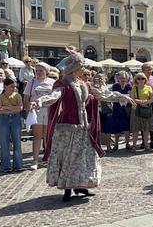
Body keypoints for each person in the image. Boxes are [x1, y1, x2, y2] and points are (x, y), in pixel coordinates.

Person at [31, 46, 135, 202]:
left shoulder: (84, 84)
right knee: (68, 157)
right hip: (68, 126)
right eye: (81, 67)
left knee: (84, 156)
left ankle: (81, 185)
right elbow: (53, 96)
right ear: (76, 68)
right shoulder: (63, 83)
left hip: (84, 126)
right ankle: (67, 188)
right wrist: (39, 101)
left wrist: (122, 97)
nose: (84, 69)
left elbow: (102, 94)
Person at [23, 62, 55, 170]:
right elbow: (26, 97)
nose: (38, 73)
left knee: (48, 136)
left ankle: (47, 158)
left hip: (49, 111)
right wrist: (28, 110)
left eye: (41, 70)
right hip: (36, 112)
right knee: (37, 136)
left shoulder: (52, 82)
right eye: (36, 70)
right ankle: (35, 160)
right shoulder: (31, 82)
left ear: (46, 71)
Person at [0, 78, 23, 172]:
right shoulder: (0, 96)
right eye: (11, 86)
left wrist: (6, 108)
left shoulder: (18, 95)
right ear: (5, 87)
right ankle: (6, 166)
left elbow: (20, 108)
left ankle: (18, 165)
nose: (13, 88)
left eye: (14, 86)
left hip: (15, 118)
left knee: (17, 142)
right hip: (4, 119)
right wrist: (13, 108)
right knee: (4, 143)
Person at [129, 72, 153, 152]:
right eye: (139, 78)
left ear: (145, 80)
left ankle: (146, 146)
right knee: (135, 130)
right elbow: (132, 99)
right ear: (136, 80)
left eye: (143, 78)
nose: (141, 80)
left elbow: (152, 99)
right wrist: (142, 102)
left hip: (146, 110)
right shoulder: (134, 88)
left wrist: (146, 103)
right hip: (136, 110)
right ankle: (134, 146)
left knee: (146, 129)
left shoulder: (149, 88)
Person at [141, 62, 153, 148]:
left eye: (150, 69)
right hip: (143, 103)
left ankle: (152, 141)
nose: (150, 71)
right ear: (143, 70)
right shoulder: (140, 78)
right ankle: (144, 141)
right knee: (144, 123)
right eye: (147, 69)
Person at [110, 71, 131, 150]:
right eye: (121, 78)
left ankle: (127, 143)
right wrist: (123, 97)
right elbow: (113, 96)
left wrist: (122, 97)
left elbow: (130, 96)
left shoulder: (129, 86)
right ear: (118, 78)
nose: (123, 79)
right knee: (117, 127)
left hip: (126, 109)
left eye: (124, 78)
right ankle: (116, 144)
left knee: (127, 127)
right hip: (117, 109)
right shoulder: (115, 86)